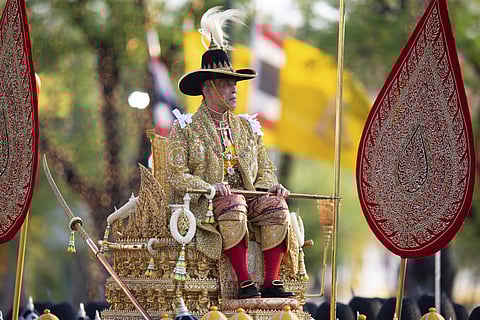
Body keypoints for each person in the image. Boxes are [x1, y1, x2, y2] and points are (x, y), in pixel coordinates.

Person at [167, 7, 298, 299]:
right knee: (232, 203)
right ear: (208, 88)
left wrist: (271, 187)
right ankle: (244, 282)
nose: (234, 90)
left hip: (246, 198)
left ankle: (271, 283)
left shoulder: (248, 128)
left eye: (234, 84)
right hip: (207, 204)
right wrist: (209, 186)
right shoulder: (185, 128)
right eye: (227, 84)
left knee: (276, 207)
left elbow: (264, 169)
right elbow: (176, 175)